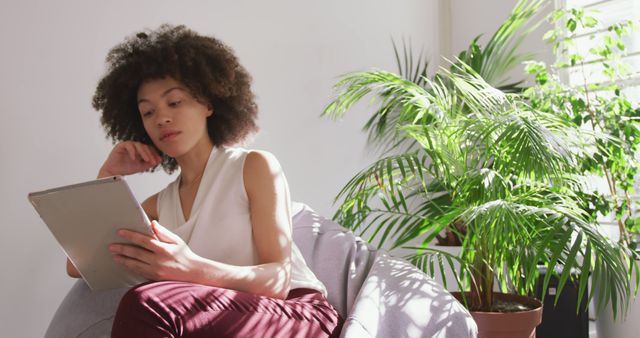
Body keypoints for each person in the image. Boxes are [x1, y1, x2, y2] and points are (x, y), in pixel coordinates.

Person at [66, 24, 342, 337]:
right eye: (147, 112)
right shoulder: (160, 205)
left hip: (297, 314)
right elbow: (80, 266)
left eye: (174, 102)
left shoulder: (253, 166)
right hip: (224, 316)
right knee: (150, 305)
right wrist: (108, 175)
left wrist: (189, 267)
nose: (162, 119)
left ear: (208, 103)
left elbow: (278, 279)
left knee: (148, 304)